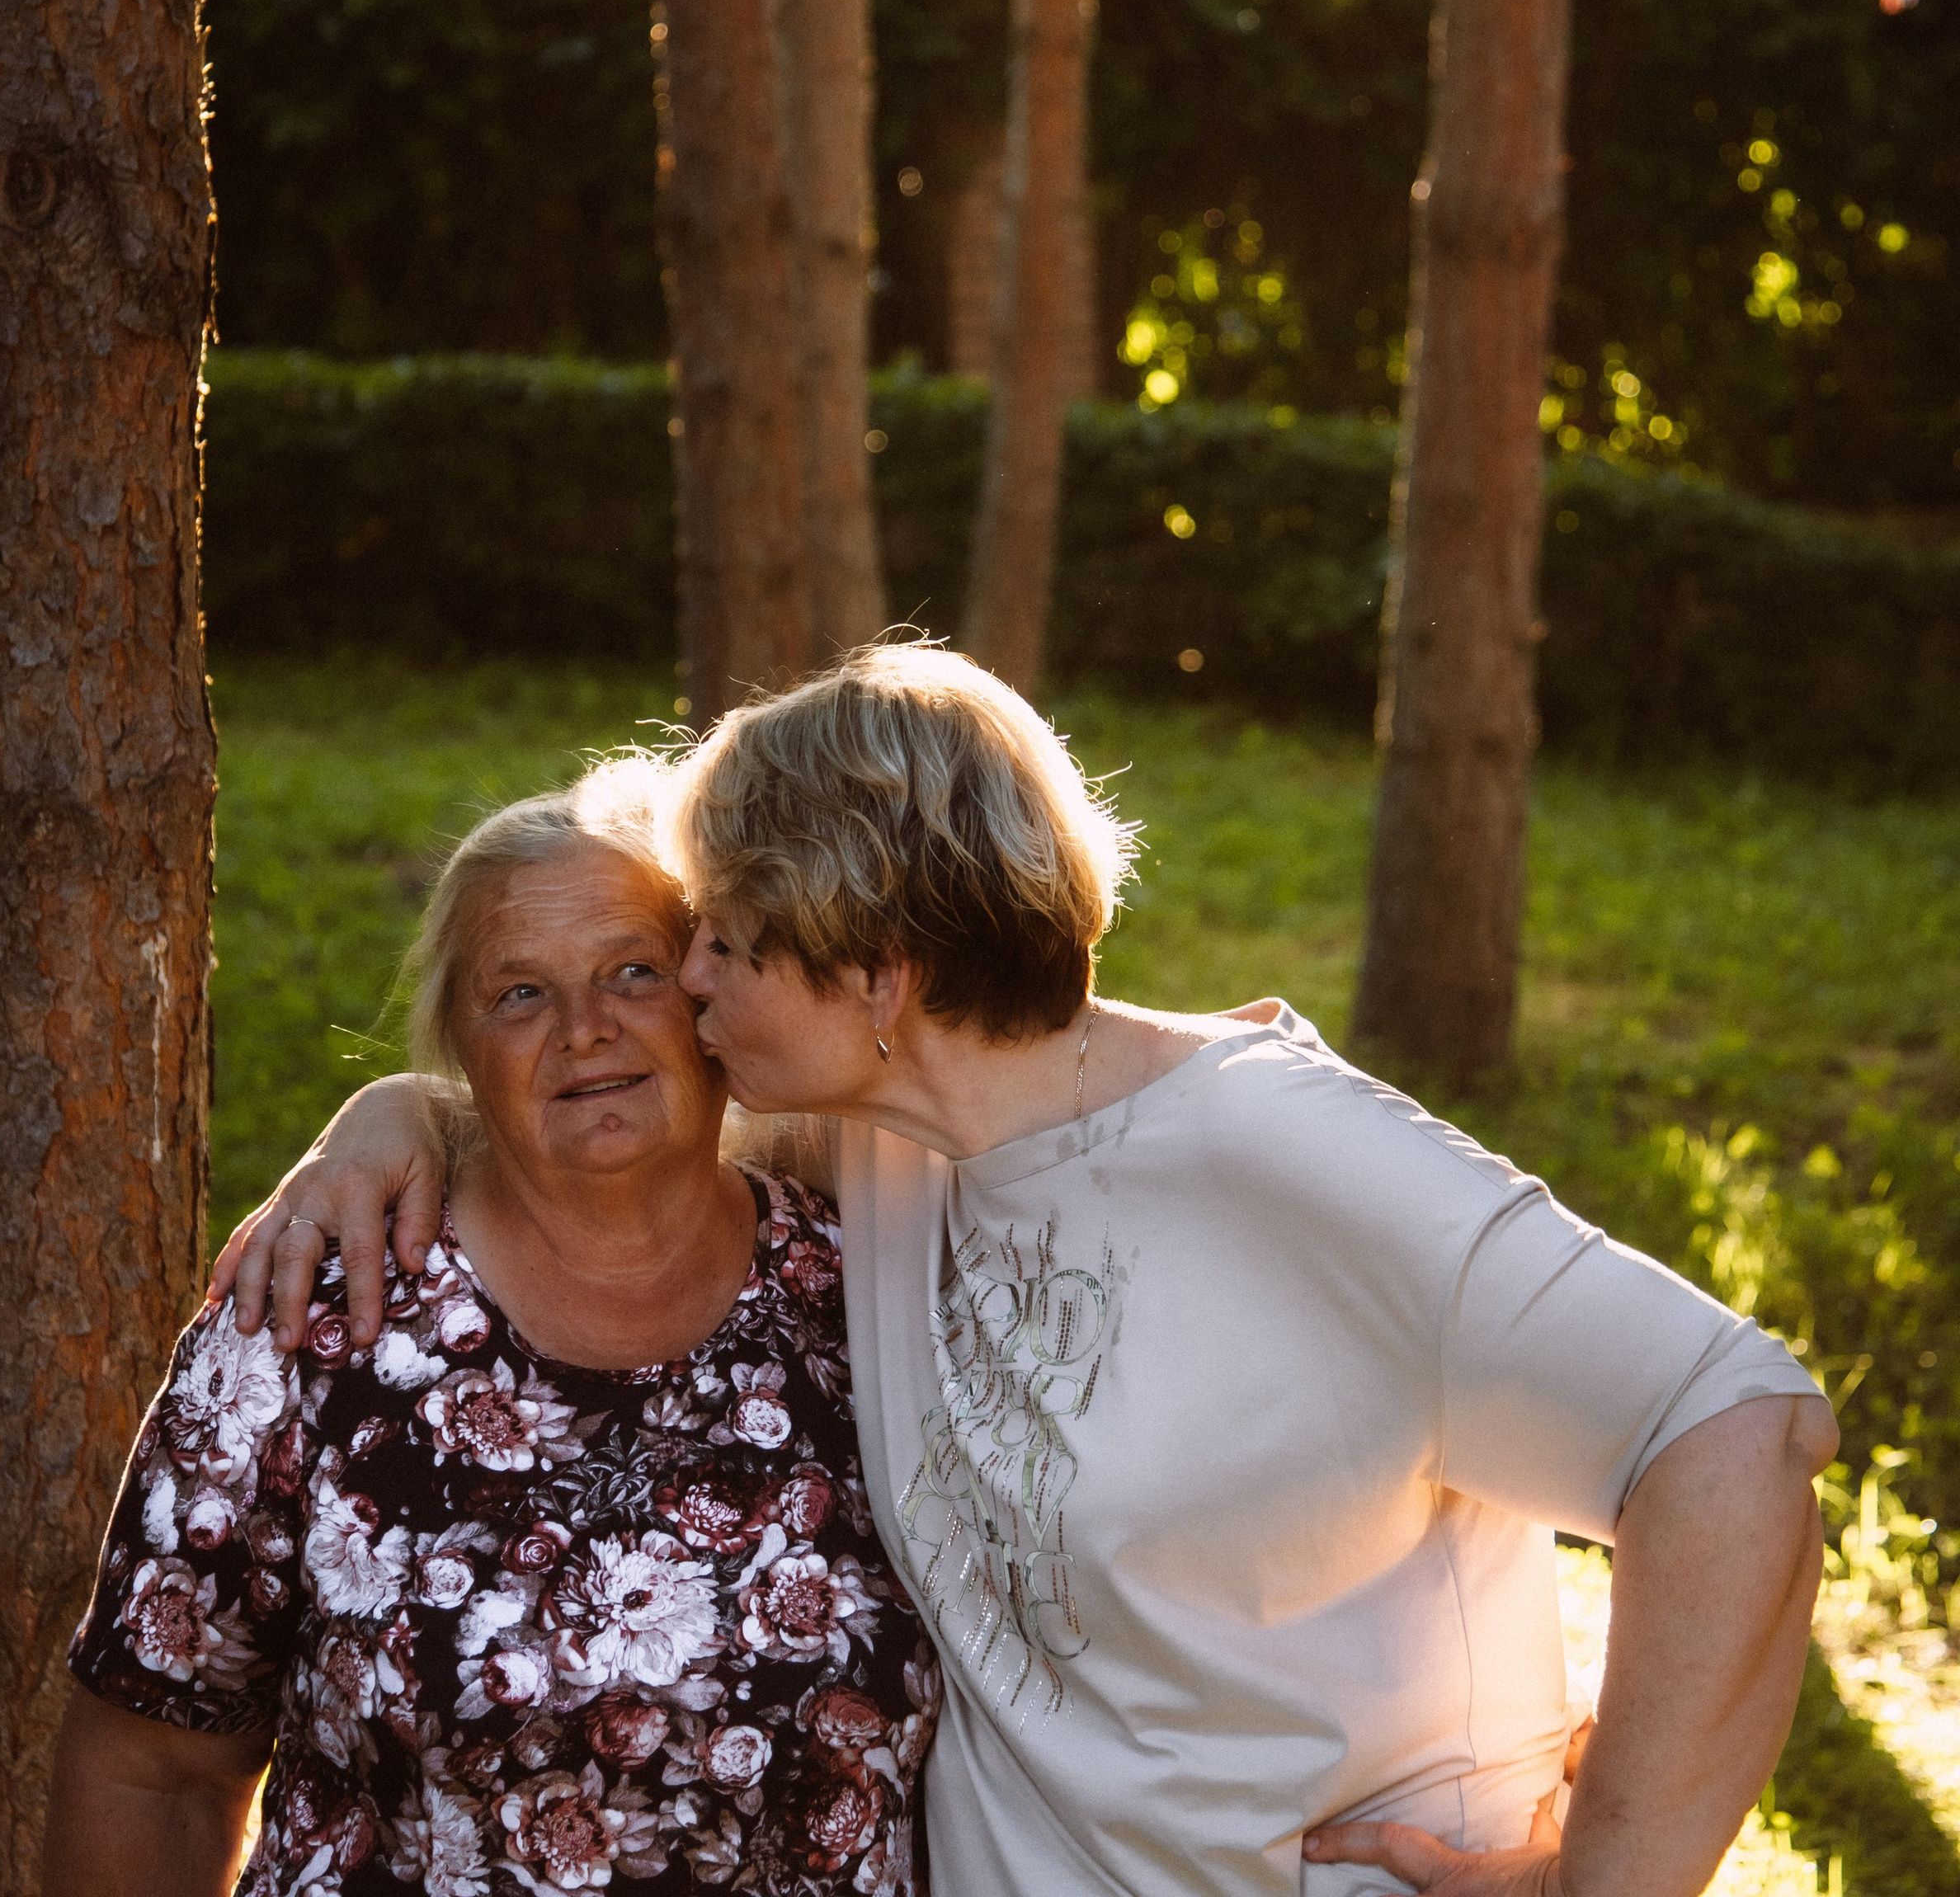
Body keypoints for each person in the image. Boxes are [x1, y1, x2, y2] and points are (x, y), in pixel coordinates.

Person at [220, 643, 1838, 1897]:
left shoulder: (1288, 1154)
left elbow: (1734, 1430)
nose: (683, 979)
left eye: (719, 935)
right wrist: (394, 1110)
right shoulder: (876, 1138)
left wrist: (1599, 1876)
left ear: (871, 965)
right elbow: (582, 1104)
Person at [48, 765, 941, 1897]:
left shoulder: (871, 1289)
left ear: (716, 995)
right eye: (520, 994)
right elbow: (151, 1771)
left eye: (635, 972)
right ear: (458, 1047)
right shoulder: (319, 1314)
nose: (585, 1029)